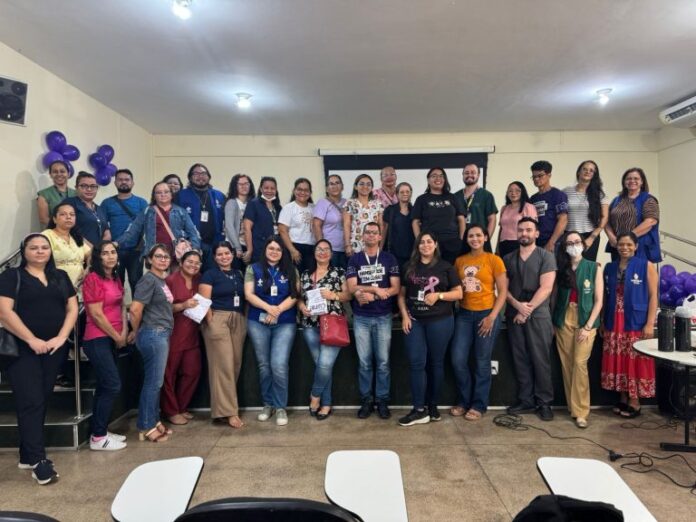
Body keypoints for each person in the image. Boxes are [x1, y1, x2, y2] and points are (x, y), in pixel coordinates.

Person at [0, 234, 78, 484]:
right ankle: (38, 461)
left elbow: (72, 308)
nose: (40, 251)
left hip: (53, 348)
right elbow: (4, 312)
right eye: (34, 248)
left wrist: (61, 337)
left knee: (40, 399)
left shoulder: (60, 276)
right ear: (24, 252)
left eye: (45, 247)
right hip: (22, 349)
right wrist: (31, 339)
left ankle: (26, 454)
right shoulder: (12, 276)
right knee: (31, 401)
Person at [398, 232, 461, 426]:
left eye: (429, 242)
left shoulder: (446, 267)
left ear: (435, 244)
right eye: (422, 242)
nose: (425, 245)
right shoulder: (409, 267)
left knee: (436, 363)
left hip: (440, 321)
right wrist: (405, 316)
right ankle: (419, 409)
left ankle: (432, 406)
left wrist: (439, 296)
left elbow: (458, 293)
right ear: (417, 246)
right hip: (415, 321)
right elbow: (401, 295)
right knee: (416, 363)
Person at [450, 225, 507, 421]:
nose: (474, 239)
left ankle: (479, 404)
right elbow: (456, 289)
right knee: (458, 359)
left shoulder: (494, 260)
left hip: (487, 314)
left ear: (485, 237)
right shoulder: (460, 261)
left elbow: (503, 291)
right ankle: (464, 400)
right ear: (466, 239)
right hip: (464, 315)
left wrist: (492, 317)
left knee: (482, 361)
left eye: (478, 235)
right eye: (471, 236)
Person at [503, 217, 557, 421]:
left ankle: (544, 402)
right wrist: (517, 306)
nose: (524, 233)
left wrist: (526, 310)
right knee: (520, 358)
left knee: (540, 359)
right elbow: (503, 289)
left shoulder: (546, 257)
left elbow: (546, 288)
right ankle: (526, 400)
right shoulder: (508, 258)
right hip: (514, 313)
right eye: (520, 230)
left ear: (536, 233)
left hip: (538, 314)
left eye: (528, 230)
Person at [346, 222, 400, 420]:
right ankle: (367, 400)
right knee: (364, 363)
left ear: (379, 237)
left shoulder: (389, 258)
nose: (370, 235)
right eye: (367, 232)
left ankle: (382, 400)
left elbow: (395, 288)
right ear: (362, 236)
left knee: (383, 362)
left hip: (383, 316)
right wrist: (374, 289)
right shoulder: (355, 259)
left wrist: (374, 296)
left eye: (374, 233)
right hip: (361, 318)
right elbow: (351, 287)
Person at [601, 232, 658, 418]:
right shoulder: (610, 267)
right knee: (619, 358)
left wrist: (649, 323)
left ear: (636, 246)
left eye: (628, 244)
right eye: (621, 244)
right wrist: (603, 320)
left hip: (635, 320)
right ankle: (623, 396)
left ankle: (635, 400)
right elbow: (605, 296)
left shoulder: (646, 265)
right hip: (614, 320)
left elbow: (653, 296)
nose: (624, 248)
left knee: (634, 359)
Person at [244, 238, 299, 426]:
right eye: (271, 248)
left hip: (285, 322)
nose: (274, 252)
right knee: (264, 366)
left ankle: (280, 407)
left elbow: (295, 295)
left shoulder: (291, 269)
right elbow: (249, 294)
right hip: (258, 321)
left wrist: (277, 310)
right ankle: (268, 404)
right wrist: (268, 308)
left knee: (279, 364)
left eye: (278, 249)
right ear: (265, 249)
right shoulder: (253, 269)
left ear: (283, 252)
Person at [552, 231, 603, 429]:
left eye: (577, 242)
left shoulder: (593, 267)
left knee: (579, 363)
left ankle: (581, 412)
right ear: (564, 248)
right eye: (569, 243)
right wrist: (553, 322)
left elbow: (598, 301)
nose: (574, 245)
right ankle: (572, 408)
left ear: (583, 244)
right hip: (564, 319)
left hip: (585, 321)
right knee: (567, 364)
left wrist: (588, 326)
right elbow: (554, 297)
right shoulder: (561, 269)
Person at [82, 241, 128, 450]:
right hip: (97, 338)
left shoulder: (115, 277)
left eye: (113, 252)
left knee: (104, 386)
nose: (110, 256)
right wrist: (116, 336)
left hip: (114, 337)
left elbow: (122, 306)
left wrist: (123, 332)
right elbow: (96, 314)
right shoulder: (93, 278)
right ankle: (98, 438)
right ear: (97, 257)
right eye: (105, 253)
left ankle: (99, 431)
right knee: (112, 384)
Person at [297, 240, 350, 420]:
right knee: (321, 364)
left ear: (331, 253)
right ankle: (326, 404)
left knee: (325, 364)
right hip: (310, 324)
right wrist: (301, 306)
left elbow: (348, 295)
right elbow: (298, 297)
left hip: (332, 324)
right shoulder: (305, 274)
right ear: (314, 253)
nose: (322, 252)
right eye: (319, 249)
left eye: (326, 249)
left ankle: (315, 396)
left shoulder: (339, 272)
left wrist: (332, 295)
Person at [128, 244, 175, 443]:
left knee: (157, 382)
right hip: (153, 334)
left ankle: (154, 420)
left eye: (166, 257)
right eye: (158, 256)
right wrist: (135, 331)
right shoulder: (148, 280)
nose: (163, 260)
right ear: (149, 259)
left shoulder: (160, 280)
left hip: (161, 333)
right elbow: (135, 309)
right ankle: (146, 426)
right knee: (153, 383)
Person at [199, 242, 247, 428]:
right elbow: (204, 301)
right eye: (219, 254)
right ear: (214, 257)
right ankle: (229, 412)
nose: (224, 257)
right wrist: (211, 322)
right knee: (223, 366)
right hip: (218, 319)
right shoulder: (210, 274)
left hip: (238, 319)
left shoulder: (238, 274)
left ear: (233, 254)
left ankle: (222, 410)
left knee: (234, 364)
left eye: (227, 253)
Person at [162, 250, 203, 426]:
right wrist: (183, 305)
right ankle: (170, 411)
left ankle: (181, 406)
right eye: (190, 262)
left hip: (193, 334)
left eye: (197, 263)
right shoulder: (170, 281)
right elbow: (163, 308)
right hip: (174, 333)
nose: (193, 265)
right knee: (169, 374)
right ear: (180, 263)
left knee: (192, 371)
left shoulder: (199, 279)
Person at [116, 181, 200, 264]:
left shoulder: (181, 211)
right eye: (159, 192)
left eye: (166, 192)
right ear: (154, 196)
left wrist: (195, 249)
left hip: (176, 256)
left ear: (171, 194)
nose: (163, 194)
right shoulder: (147, 212)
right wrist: (117, 243)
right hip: (154, 257)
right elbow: (132, 231)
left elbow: (193, 232)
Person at [101, 169, 148, 292]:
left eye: (127, 179)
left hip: (136, 250)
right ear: (115, 183)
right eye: (120, 180)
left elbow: (147, 226)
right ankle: (118, 305)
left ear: (132, 183)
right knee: (116, 283)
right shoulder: (107, 203)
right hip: (114, 250)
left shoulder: (142, 202)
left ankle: (137, 305)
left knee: (136, 282)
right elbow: (102, 226)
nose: (124, 182)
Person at [604, 168, 661, 263]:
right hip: (618, 247)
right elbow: (606, 220)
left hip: (640, 247)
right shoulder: (617, 200)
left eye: (636, 178)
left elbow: (650, 221)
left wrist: (628, 239)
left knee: (637, 271)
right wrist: (611, 237)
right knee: (618, 271)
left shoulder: (648, 199)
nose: (632, 181)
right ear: (624, 182)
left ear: (642, 182)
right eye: (629, 178)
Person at [411, 167, 466, 264]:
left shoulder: (452, 197)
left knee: (451, 271)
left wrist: (461, 239)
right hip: (430, 245)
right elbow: (415, 222)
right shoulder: (422, 199)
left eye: (441, 176)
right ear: (428, 180)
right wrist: (420, 241)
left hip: (452, 243)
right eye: (434, 176)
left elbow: (461, 219)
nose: (438, 178)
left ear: (445, 179)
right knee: (432, 271)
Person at [176, 163, 226, 270]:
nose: (200, 176)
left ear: (209, 176)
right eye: (196, 173)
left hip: (215, 245)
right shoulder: (180, 195)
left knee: (213, 274)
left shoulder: (219, 195)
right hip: (191, 245)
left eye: (203, 173)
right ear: (190, 177)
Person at [563, 161, 609, 261]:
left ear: (594, 175)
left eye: (591, 170)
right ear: (579, 172)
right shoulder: (566, 191)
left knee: (587, 267)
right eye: (585, 169)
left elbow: (604, 217)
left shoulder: (599, 194)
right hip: (569, 235)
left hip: (589, 235)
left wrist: (592, 237)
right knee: (568, 266)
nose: (588, 172)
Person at [42, 201, 91, 287]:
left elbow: (90, 254)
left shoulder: (76, 236)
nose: (68, 217)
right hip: (55, 284)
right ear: (54, 219)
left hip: (80, 284)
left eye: (72, 214)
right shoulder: (47, 235)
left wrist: (88, 267)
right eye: (63, 214)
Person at [453, 164, 498, 250]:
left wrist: (486, 240)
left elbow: (492, 219)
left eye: (473, 172)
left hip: (479, 242)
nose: (469, 175)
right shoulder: (455, 196)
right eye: (466, 173)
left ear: (478, 175)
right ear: (463, 175)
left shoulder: (486, 195)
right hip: (460, 242)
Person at [278, 178, 316, 274]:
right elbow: (282, 230)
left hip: (311, 248)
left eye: (306, 190)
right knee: (295, 276)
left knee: (310, 276)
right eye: (299, 189)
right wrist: (292, 250)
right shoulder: (289, 208)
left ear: (310, 192)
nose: (302, 192)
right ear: (294, 191)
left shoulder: (314, 207)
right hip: (295, 248)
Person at [529, 161, 568, 252]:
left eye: (540, 176)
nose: (536, 179)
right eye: (534, 177)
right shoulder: (532, 199)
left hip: (554, 243)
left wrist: (552, 242)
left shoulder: (558, 195)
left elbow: (563, 220)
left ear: (549, 175)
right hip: (536, 243)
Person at [243, 176, 282, 263]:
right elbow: (247, 228)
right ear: (261, 189)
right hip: (259, 247)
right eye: (266, 188)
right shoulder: (253, 204)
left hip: (275, 248)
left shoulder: (278, 207)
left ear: (276, 190)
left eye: (272, 188)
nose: (269, 191)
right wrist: (249, 250)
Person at [64, 172, 111, 246]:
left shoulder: (99, 208)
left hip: (98, 251)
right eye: (84, 186)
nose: (89, 189)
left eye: (93, 186)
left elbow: (106, 232)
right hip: (77, 249)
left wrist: (102, 247)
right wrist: (89, 247)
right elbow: (65, 229)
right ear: (76, 187)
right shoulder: (69, 203)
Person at [312, 174, 348, 269]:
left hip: (346, 249)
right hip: (330, 250)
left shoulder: (347, 203)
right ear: (327, 189)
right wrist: (321, 248)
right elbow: (316, 225)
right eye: (331, 184)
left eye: (337, 183)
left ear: (342, 186)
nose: (334, 186)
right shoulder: (322, 203)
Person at [343, 174, 383, 256]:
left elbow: (381, 225)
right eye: (361, 184)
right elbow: (346, 225)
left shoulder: (377, 204)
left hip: (373, 245)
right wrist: (347, 245)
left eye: (368, 184)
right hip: (355, 246)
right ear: (355, 187)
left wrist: (380, 245)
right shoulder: (349, 203)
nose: (365, 186)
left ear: (372, 187)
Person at [496, 181, 537, 258]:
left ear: (523, 192)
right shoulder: (504, 208)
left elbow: (532, 229)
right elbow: (501, 228)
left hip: (520, 244)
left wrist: (530, 247)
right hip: (503, 244)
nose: (513, 193)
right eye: (510, 191)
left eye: (517, 191)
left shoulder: (528, 207)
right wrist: (497, 247)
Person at [224, 173, 255, 271]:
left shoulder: (253, 203)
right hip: (235, 246)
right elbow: (229, 226)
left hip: (248, 245)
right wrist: (237, 247)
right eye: (240, 184)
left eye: (246, 183)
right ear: (235, 186)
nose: (244, 186)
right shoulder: (232, 203)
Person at [382, 182, 415, 270]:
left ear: (411, 193)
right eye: (402, 192)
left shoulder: (415, 210)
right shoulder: (390, 210)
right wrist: (380, 249)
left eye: (407, 192)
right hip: (393, 253)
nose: (405, 194)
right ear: (397, 194)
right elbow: (384, 230)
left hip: (412, 253)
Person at [36, 160, 76, 228]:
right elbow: (43, 219)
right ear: (50, 175)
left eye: (62, 171)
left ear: (68, 174)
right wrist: (62, 229)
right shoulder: (44, 194)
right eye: (55, 172)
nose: (59, 174)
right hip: (54, 231)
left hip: (75, 232)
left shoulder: (76, 193)